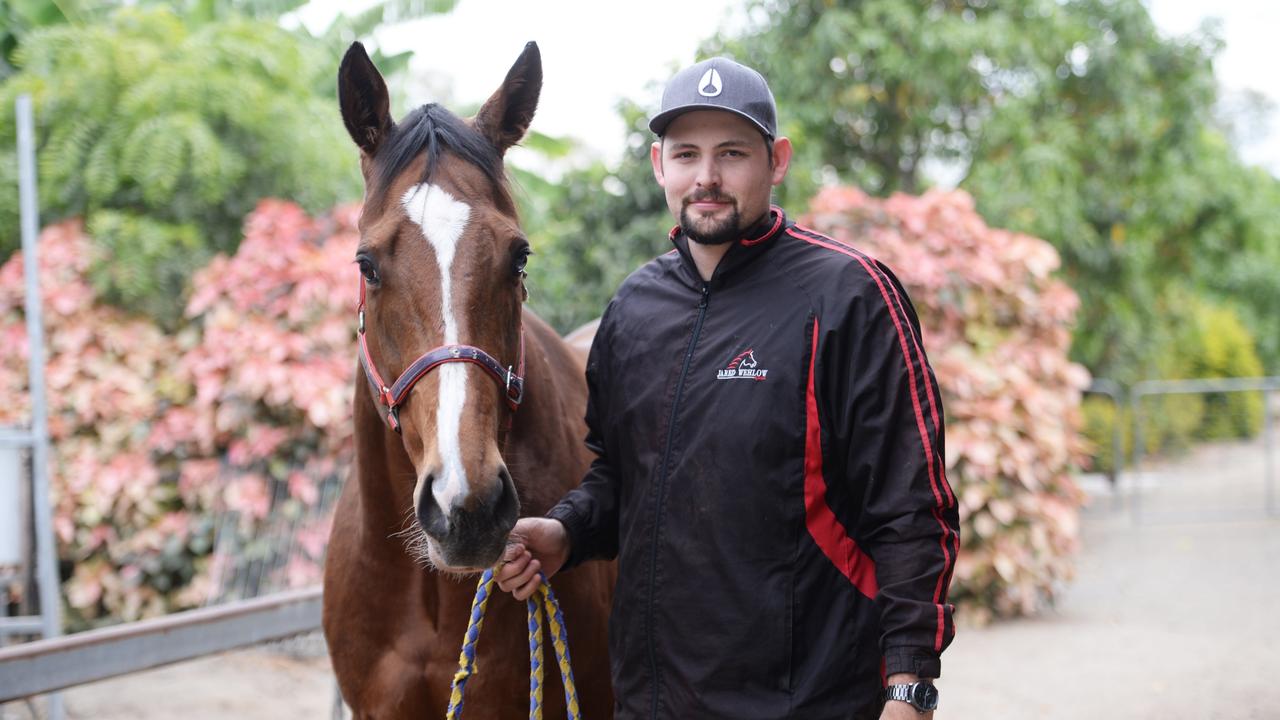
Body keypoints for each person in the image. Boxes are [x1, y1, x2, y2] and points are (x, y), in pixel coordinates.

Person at [496, 56, 959, 720]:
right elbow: (622, 480)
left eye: (732, 153)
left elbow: (913, 509)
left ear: (777, 160)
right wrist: (566, 532)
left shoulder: (850, 295)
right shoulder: (633, 310)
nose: (706, 177)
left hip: (812, 700)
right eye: (686, 154)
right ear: (659, 165)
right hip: (652, 702)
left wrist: (909, 689)